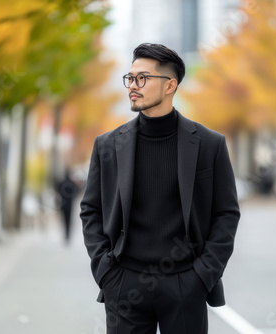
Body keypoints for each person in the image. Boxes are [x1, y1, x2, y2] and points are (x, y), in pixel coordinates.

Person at [80, 43, 240, 334]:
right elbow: (90, 210)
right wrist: (106, 272)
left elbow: (226, 213)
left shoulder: (209, 144)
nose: (133, 86)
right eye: (130, 78)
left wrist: (202, 276)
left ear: (170, 85)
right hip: (124, 283)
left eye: (143, 78)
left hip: (185, 283)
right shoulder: (107, 146)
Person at [56, 168, 79, 245]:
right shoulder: (72, 184)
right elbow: (77, 191)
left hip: (63, 204)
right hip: (70, 204)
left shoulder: (61, 183)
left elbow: (57, 189)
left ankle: (66, 235)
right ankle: (68, 234)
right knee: (69, 220)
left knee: (64, 220)